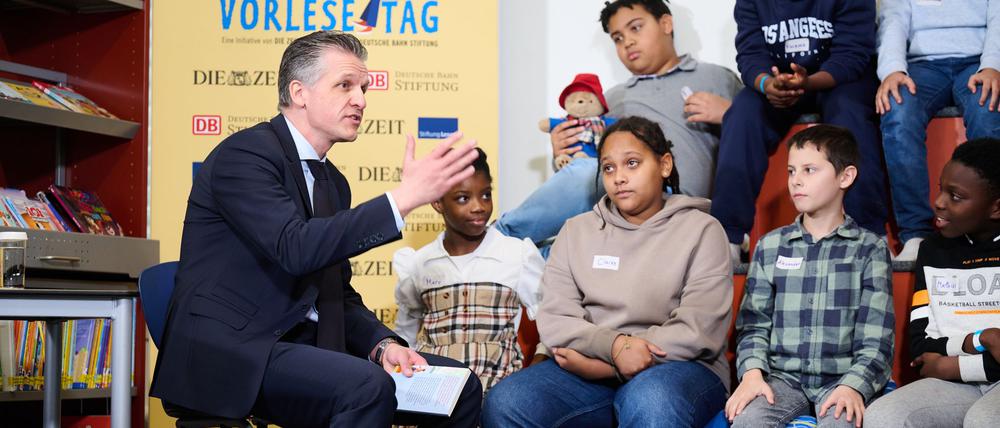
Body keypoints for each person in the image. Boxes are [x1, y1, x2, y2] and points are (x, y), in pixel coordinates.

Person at [150, 31, 483, 428]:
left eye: (363, 88)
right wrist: (403, 199)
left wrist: (382, 345)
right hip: (234, 352)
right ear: (299, 93)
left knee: (459, 387)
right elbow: (295, 248)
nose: (360, 100)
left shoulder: (333, 183)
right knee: (366, 387)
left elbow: (334, 292)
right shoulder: (245, 155)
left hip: (303, 346)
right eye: (345, 85)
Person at [483, 116, 733, 427]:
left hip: (680, 367)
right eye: (609, 168)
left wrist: (611, 365)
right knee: (507, 401)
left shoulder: (702, 230)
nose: (619, 178)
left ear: (664, 165)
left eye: (632, 163)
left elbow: (697, 329)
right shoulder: (576, 231)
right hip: (589, 367)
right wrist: (614, 348)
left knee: (651, 399)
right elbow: (557, 319)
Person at [494, 0, 741, 253]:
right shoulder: (611, 101)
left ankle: (496, 239)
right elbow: (590, 174)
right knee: (558, 245)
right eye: (618, 38)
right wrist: (562, 156)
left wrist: (731, 114)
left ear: (666, 24)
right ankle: (498, 245)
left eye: (636, 28)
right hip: (626, 207)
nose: (627, 42)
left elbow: (756, 136)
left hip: (683, 206)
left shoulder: (716, 78)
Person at [726, 125, 894, 428]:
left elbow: (876, 339)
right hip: (782, 379)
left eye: (809, 170)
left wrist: (854, 385)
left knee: (842, 423)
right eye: (791, 171)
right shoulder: (770, 246)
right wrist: (752, 374)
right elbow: (753, 326)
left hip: (842, 379)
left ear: (845, 177)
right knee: (747, 421)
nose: (796, 180)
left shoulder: (870, 249)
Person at [713, 0, 888, 264]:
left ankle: (869, 234)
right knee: (742, 113)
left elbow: (853, 55)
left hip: (840, 81)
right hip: (781, 83)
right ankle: (728, 238)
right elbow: (750, 56)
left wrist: (808, 83)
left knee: (849, 114)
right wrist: (767, 84)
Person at [864, 138, 1000, 428]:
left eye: (956, 196)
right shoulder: (932, 250)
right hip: (956, 383)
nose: (939, 202)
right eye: (941, 189)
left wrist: (950, 366)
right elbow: (922, 349)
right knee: (883, 415)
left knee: (984, 420)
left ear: (996, 208)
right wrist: (982, 339)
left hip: (961, 373)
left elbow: (939, 362)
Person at [392, 148, 544, 393]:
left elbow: (552, 317)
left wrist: (538, 365)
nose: (479, 207)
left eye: (486, 195)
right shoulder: (419, 264)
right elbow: (405, 335)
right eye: (463, 198)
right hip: (434, 394)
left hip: (498, 393)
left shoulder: (517, 255)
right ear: (437, 202)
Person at [875, 0, 1000, 261]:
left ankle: (990, 230)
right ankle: (915, 234)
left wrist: (993, 66)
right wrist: (893, 70)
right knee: (897, 108)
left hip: (979, 61)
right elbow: (893, 22)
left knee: (988, 108)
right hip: (922, 66)